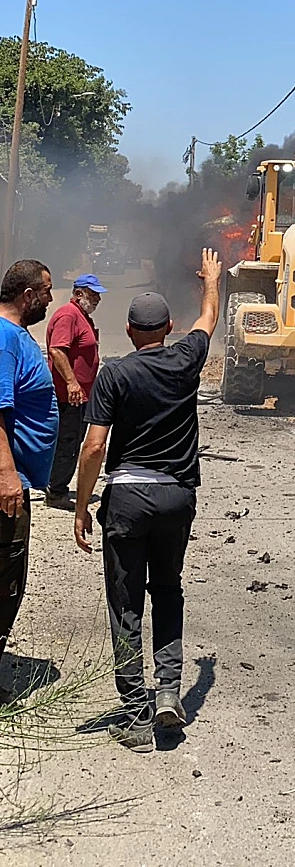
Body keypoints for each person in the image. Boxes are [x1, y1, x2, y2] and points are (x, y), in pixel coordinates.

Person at [74, 248, 221, 752]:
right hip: (177, 497)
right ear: (169, 328)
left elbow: (94, 447)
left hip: (128, 500)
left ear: (130, 331)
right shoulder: (186, 359)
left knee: (126, 602)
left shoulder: (115, 374)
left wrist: (81, 507)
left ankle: (136, 715)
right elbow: (208, 319)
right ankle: (169, 691)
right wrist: (211, 279)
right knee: (168, 589)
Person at [0, 260, 58, 676]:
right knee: (5, 582)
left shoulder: (15, 335)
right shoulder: (5, 339)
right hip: (6, 485)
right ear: (28, 295)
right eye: (47, 291)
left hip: (16, 479)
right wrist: (6, 476)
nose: (50, 299)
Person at [45, 274, 107, 510]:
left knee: (72, 440)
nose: (98, 299)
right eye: (93, 294)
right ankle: (56, 492)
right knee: (68, 444)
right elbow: (57, 350)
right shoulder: (68, 315)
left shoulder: (82, 316)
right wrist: (72, 382)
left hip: (80, 396)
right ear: (79, 293)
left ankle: (54, 484)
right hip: (68, 396)